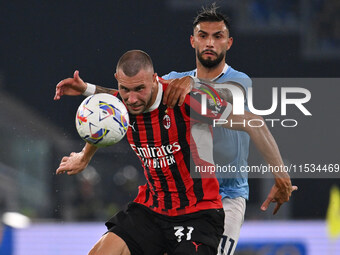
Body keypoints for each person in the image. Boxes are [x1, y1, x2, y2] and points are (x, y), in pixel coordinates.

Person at [54, 4, 297, 255]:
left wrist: (281, 176)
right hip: (156, 204)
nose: (210, 43)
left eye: (217, 36)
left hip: (216, 199)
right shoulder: (162, 85)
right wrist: (88, 92)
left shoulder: (229, 83)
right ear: (193, 41)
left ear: (229, 42)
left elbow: (246, 115)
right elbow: (116, 106)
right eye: (203, 36)